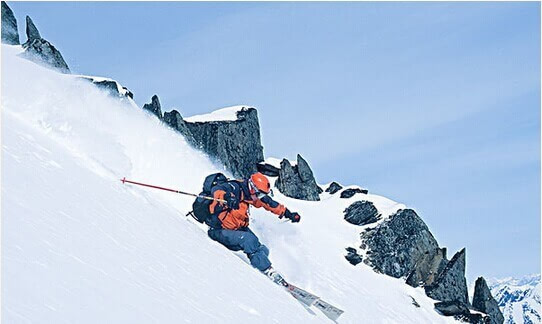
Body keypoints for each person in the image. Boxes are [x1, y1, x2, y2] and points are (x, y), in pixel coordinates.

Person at [206, 172, 301, 283]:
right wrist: (228, 197)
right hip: (219, 230)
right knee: (249, 241)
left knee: (262, 249)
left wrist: (289, 214)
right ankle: (268, 271)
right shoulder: (235, 187)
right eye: (259, 194)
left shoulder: (252, 195)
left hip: (237, 229)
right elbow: (218, 190)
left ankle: (261, 266)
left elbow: (271, 204)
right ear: (252, 187)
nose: (259, 198)